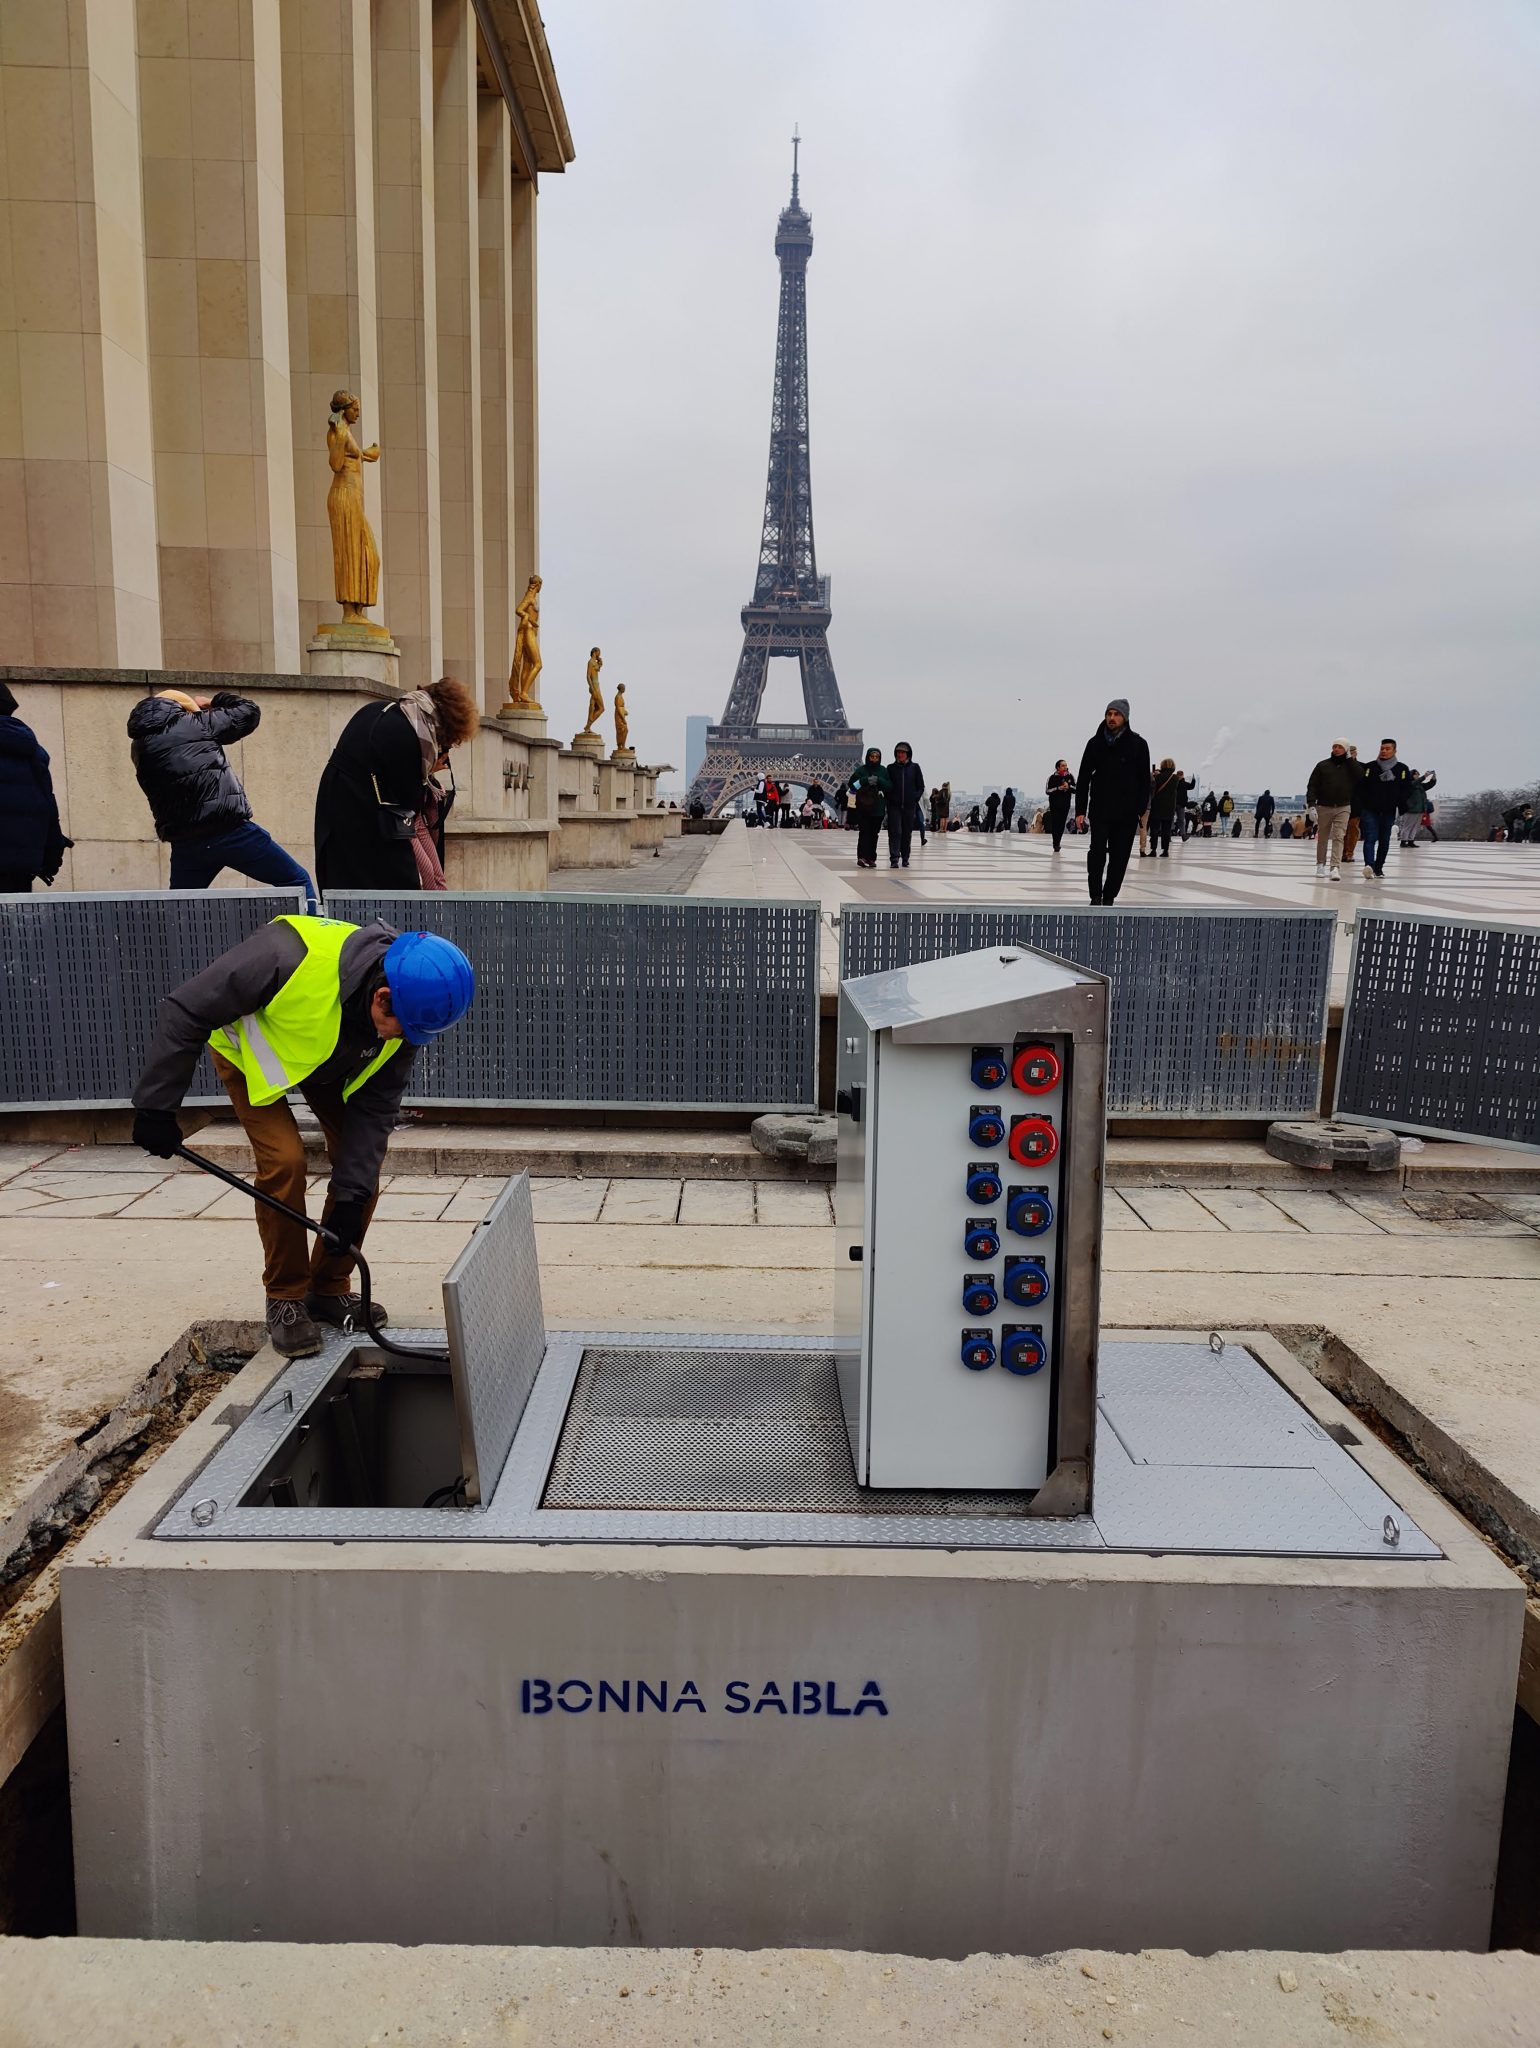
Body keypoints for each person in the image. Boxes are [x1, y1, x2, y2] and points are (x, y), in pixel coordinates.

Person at [131, 913, 475, 1357]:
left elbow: (375, 1111)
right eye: (403, 1029)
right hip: (252, 1053)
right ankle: (286, 1299)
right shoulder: (285, 956)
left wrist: (350, 1197)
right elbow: (187, 1007)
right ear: (382, 996)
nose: (406, 1040)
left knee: (361, 1171)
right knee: (285, 1162)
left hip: (329, 1058)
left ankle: (329, 1287)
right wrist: (157, 1106)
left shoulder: (406, 1013)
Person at [127, 688, 313, 899]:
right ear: (183, 709)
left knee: (180, 907)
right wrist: (215, 702)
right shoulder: (196, 723)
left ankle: (177, 932)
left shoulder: (139, 748)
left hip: (187, 844)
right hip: (230, 831)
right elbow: (248, 712)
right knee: (296, 881)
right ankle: (315, 931)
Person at [313, 677, 479, 893]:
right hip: (365, 824)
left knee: (349, 893)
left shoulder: (383, 710)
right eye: (445, 743)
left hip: (339, 815)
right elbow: (410, 805)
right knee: (401, 891)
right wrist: (429, 772)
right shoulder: (408, 737)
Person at [1075, 697, 1151, 907]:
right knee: (1096, 853)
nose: (1112, 718)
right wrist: (1080, 811)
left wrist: (1140, 809)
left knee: (1119, 858)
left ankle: (1109, 897)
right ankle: (1095, 895)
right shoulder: (1095, 743)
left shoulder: (1138, 744)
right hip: (1100, 809)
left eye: (1116, 714)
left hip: (1126, 813)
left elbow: (1145, 781)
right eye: (1109, 714)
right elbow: (1082, 778)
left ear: (1125, 718)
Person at [0, 683, 71, 893]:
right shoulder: (31, 750)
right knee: (15, 923)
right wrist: (51, 856)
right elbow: (48, 806)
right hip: (20, 866)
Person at [1358, 738, 1414, 879]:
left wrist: (1399, 802)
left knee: (1384, 840)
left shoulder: (1401, 769)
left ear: (1394, 751)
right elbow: (1361, 787)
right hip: (1370, 809)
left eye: (1387, 749)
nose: (1384, 751)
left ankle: (1379, 868)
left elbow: (1407, 788)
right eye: (1382, 748)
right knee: (1370, 837)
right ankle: (1369, 866)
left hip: (1389, 810)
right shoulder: (1370, 767)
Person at [1306, 739, 1355, 881]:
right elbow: (1312, 785)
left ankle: (1335, 867)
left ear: (1345, 750)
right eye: (1335, 746)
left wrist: (1350, 760)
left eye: (1340, 747)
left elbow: (1359, 776)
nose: (1336, 749)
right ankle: (1320, 864)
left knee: (1339, 837)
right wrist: (1311, 805)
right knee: (1323, 836)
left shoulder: (1350, 766)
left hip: (1343, 806)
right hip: (1324, 806)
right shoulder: (1323, 765)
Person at [846, 749, 891, 867]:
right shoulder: (861, 770)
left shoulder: (883, 771)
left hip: (878, 808)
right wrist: (865, 780)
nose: (874, 759)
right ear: (868, 757)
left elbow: (889, 787)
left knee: (873, 834)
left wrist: (878, 780)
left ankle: (871, 857)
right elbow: (852, 786)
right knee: (864, 832)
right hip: (864, 807)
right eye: (872, 756)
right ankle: (862, 857)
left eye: (877, 757)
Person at [1147, 758, 1183, 858]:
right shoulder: (1175, 778)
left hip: (1157, 806)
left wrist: (1156, 775)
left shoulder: (1157, 777)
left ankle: (1153, 850)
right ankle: (1165, 851)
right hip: (1169, 808)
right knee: (1166, 830)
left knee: (1154, 829)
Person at [1398, 769, 1436, 849]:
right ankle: (1403, 841)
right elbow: (1414, 783)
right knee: (1407, 826)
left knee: (1415, 826)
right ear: (1411, 775)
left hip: (1420, 809)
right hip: (1411, 809)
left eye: (1418, 774)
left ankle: (1411, 841)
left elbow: (1429, 785)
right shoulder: (1409, 784)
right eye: (1416, 774)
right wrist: (1424, 776)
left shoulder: (1420, 785)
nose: (1417, 775)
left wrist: (1433, 778)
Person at [1044, 762, 1075, 852]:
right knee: (1055, 823)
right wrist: (1058, 788)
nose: (1065, 767)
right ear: (1058, 767)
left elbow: (1076, 788)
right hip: (1055, 804)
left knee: (1061, 824)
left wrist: (1068, 787)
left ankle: (1058, 842)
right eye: (1063, 765)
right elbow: (1047, 790)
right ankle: (1055, 843)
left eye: (1066, 765)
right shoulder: (1052, 778)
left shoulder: (1070, 776)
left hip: (1065, 804)